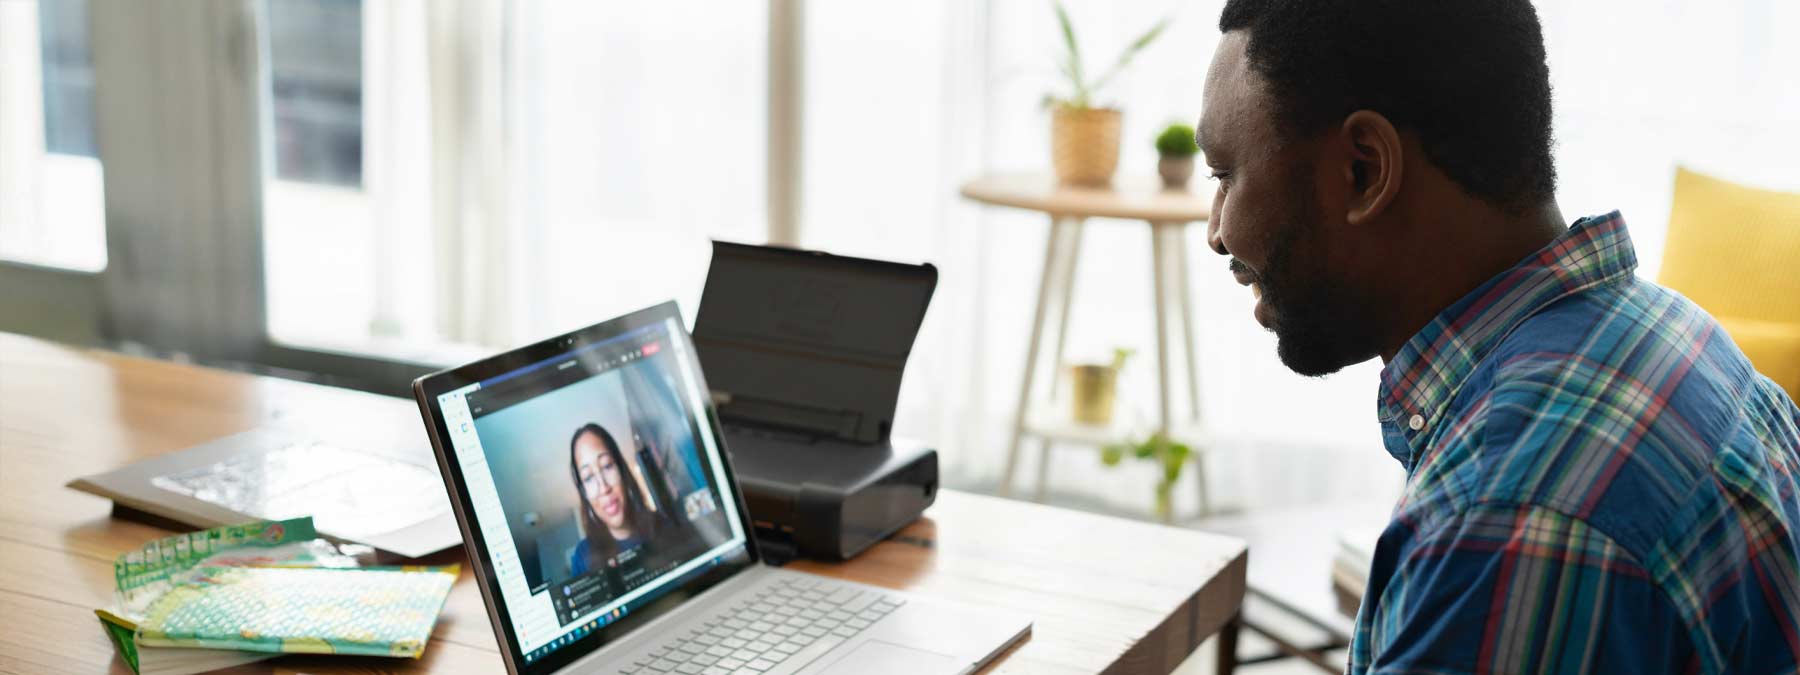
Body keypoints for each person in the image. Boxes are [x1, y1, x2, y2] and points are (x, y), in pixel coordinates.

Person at [1198, 1, 1800, 673]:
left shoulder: (1507, 522)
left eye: (1225, 175)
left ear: (1364, 171)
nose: (1216, 229)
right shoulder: (1677, 336)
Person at [567, 422, 661, 576]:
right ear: (584, 493)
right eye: (589, 477)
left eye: (607, 466)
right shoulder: (582, 558)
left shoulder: (662, 524)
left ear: (622, 470)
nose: (604, 488)